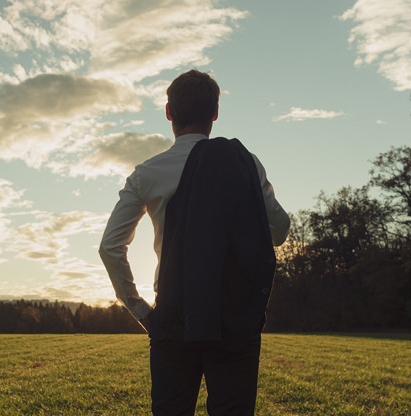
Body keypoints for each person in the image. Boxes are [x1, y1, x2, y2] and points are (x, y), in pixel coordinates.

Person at [99, 69, 290, 416]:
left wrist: (141, 311)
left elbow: (110, 247)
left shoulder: (148, 173)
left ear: (169, 112)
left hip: (173, 317)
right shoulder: (246, 164)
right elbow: (280, 233)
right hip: (236, 320)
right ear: (215, 113)